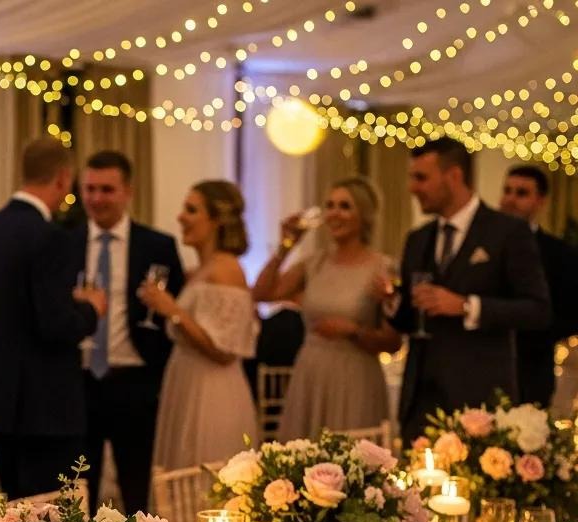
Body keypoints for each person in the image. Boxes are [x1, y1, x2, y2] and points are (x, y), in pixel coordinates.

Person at [0, 136, 106, 498]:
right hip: (47, 404)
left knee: (15, 514)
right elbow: (56, 325)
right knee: (52, 514)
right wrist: (90, 308)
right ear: (62, 179)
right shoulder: (51, 238)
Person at [390, 138, 550, 441]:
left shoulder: (506, 232)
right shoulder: (418, 239)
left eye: (421, 178)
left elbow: (537, 310)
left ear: (454, 176)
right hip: (421, 403)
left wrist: (467, 306)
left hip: (479, 400)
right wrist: (390, 302)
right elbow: (410, 320)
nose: (412, 188)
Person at [69, 150, 184, 513]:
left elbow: (172, 312)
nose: (97, 198)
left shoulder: (158, 245)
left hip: (136, 380)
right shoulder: (63, 243)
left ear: (127, 191)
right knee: (78, 487)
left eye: (107, 189)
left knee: (138, 488)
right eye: (89, 189)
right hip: (79, 379)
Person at [253, 178, 401, 439]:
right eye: (330, 206)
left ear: (364, 215)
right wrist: (286, 245)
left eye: (345, 206)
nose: (334, 213)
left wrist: (352, 330)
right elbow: (262, 293)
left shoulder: (381, 267)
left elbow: (393, 342)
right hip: (311, 373)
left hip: (356, 376)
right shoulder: (315, 262)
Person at [142, 181, 259, 469]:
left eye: (191, 210)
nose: (181, 217)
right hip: (186, 380)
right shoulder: (197, 271)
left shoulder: (227, 270)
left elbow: (224, 351)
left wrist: (173, 310)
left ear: (216, 220)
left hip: (211, 393)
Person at [499, 165, 578, 407]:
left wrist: (528, 325)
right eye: (507, 190)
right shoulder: (482, 245)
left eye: (521, 193)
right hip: (481, 368)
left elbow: (572, 314)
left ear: (540, 200)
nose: (510, 199)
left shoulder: (560, 253)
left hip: (532, 370)